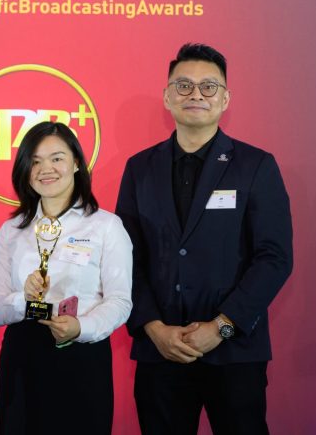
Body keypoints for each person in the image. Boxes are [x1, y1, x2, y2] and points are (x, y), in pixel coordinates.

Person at [116, 43, 293, 435]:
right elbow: (126, 258)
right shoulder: (139, 168)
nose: (195, 94)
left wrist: (222, 326)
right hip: (160, 352)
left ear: (225, 99)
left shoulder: (256, 166)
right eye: (184, 85)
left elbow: (274, 257)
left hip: (234, 352)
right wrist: (153, 327)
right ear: (167, 96)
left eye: (208, 86)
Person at [0, 121, 132, 435]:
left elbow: (120, 301)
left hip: (81, 355)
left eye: (57, 158)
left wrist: (81, 327)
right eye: (35, 161)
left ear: (76, 162)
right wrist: (23, 299)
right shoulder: (12, 230)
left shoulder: (106, 226)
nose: (46, 169)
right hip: (23, 355)